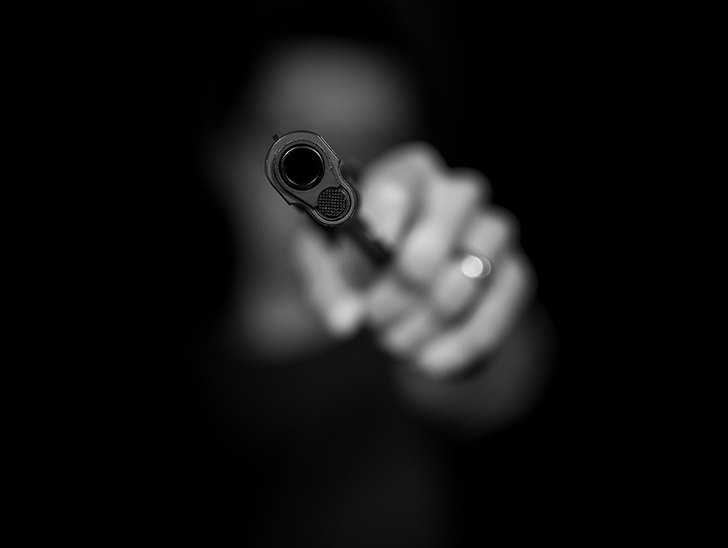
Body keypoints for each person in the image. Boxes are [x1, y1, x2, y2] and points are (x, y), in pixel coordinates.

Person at [183, 3, 557, 545]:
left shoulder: (408, 346)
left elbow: (495, 372)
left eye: (369, 142)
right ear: (220, 148)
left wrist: (467, 295)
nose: (330, 173)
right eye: (301, 141)